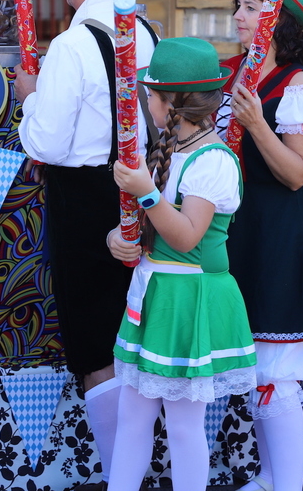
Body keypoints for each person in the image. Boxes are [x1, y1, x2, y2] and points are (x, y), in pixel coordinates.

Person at [14, 0, 156, 489]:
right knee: (132, 332)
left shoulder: (73, 44)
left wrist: (30, 97)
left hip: (83, 198)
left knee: (95, 343)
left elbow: (46, 143)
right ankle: (133, 471)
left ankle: (122, 475)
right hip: (139, 191)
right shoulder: (146, 32)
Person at [215, 0, 303, 491]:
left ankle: (286, 483)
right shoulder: (232, 73)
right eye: (239, 5)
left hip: (283, 238)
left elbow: (296, 174)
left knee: (277, 371)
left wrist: (255, 124)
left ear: (279, 21)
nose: (238, 15)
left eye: (251, 7)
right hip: (245, 235)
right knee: (260, 367)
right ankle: (271, 477)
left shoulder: (298, 85)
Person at [106, 37, 257, 491]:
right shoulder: (171, 148)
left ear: (171, 101)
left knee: (184, 426)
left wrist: (145, 191)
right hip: (156, 292)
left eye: (151, 94)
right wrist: (119, 239)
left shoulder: (214, 161)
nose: (146, 101)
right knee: (132, 417)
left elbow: (187, 235)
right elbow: (146, 229)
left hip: (191, 297)